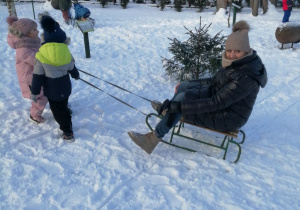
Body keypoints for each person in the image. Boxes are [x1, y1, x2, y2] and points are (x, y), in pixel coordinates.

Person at [128, 20, 268, 154]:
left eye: (237, 51)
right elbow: (214, 81)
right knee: (183, 88)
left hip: (228, 117)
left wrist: (180, 106)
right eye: (229, 50)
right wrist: (189, 84)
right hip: (221, 102)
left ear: (246, 51)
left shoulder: (246, 77)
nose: (231, 55)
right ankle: (169, 112)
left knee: (183, 100)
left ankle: (152, 139)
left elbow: (216, 103)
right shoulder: (239, 64)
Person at [31, 15, 80, 142]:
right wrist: (76, 75)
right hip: (65, 86)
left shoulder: (40, 56)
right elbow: (72, 67)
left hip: (52, 91)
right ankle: (66, 115)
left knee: (57, 111)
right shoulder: (66, 52)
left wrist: (35, 92)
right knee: (63, 104)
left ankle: (68, 133)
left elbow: (37, 76)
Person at [6, 16, 48, 124]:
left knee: (45, 93)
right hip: (30, 80)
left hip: (36, 76)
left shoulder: (31, 42)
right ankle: (34, 115)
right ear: (25, 33)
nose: (37, 31)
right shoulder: (23, 49)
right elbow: (38, 61)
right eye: (34, 30)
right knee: (40, 98)